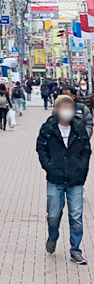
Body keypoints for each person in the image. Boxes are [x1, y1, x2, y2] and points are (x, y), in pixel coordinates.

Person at [37, 94, 92, 265]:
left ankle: (75, 250)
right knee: (53, 215)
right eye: (63, 107)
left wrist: (82, 169)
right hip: (55, 178)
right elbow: (41, 148)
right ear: (56, 109)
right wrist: (49, 166)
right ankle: (52, 236)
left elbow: (86, 150)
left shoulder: (79, 128)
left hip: (75, 179)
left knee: (76, 216)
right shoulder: (48, 128)